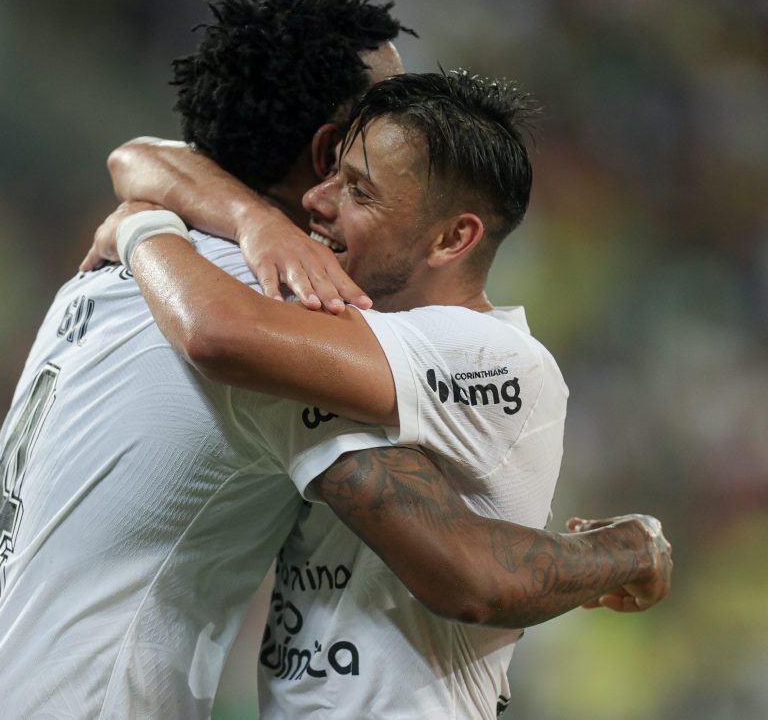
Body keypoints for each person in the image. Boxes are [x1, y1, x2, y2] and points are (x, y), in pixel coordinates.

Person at [0, 0, 670, 720]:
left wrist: (155, 223)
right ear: (326, 153)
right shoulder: (269, 307)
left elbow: (144, 157)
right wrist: (630, 553)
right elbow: (468, 570)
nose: (405, 114)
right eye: (381, 112)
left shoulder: (134, 266)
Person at [97, 70, 671, 718]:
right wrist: (248, 215)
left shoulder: (491, 355)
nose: (315, 200)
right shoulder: (364, 341)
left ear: (453, 239)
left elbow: (215, 332)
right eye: (333, 172)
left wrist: (141, 231)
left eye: (359, 192)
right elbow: (138, 157)